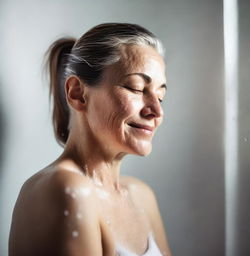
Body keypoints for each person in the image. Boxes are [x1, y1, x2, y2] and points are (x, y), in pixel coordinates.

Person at [9, 23, 171, 256]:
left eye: (161, 96)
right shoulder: (65, 188)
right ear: (78, 93)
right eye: (136, 88)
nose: (156, 111)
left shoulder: (141, 196)